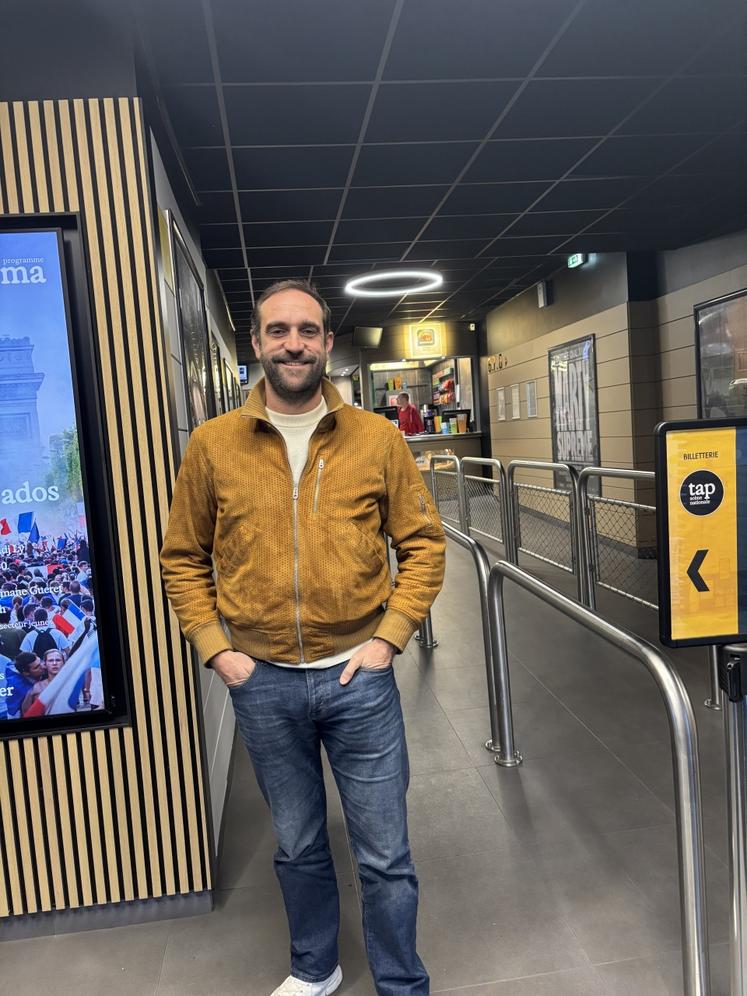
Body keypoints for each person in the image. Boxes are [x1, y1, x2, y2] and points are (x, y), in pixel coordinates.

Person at [161, 279, 445, 996]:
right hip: (261, 681)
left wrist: (389, 639)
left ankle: (401, 983)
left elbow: (424, 546)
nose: (294, 344)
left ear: (326, 342)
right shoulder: (213, 445)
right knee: (298, 844)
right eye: (279, 331)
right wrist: (216, 649)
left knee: (384, 853)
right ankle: (315, 968)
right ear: (255, 343)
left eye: (309, 331)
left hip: (360, 676)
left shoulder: (376, 439)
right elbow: (181, 557)